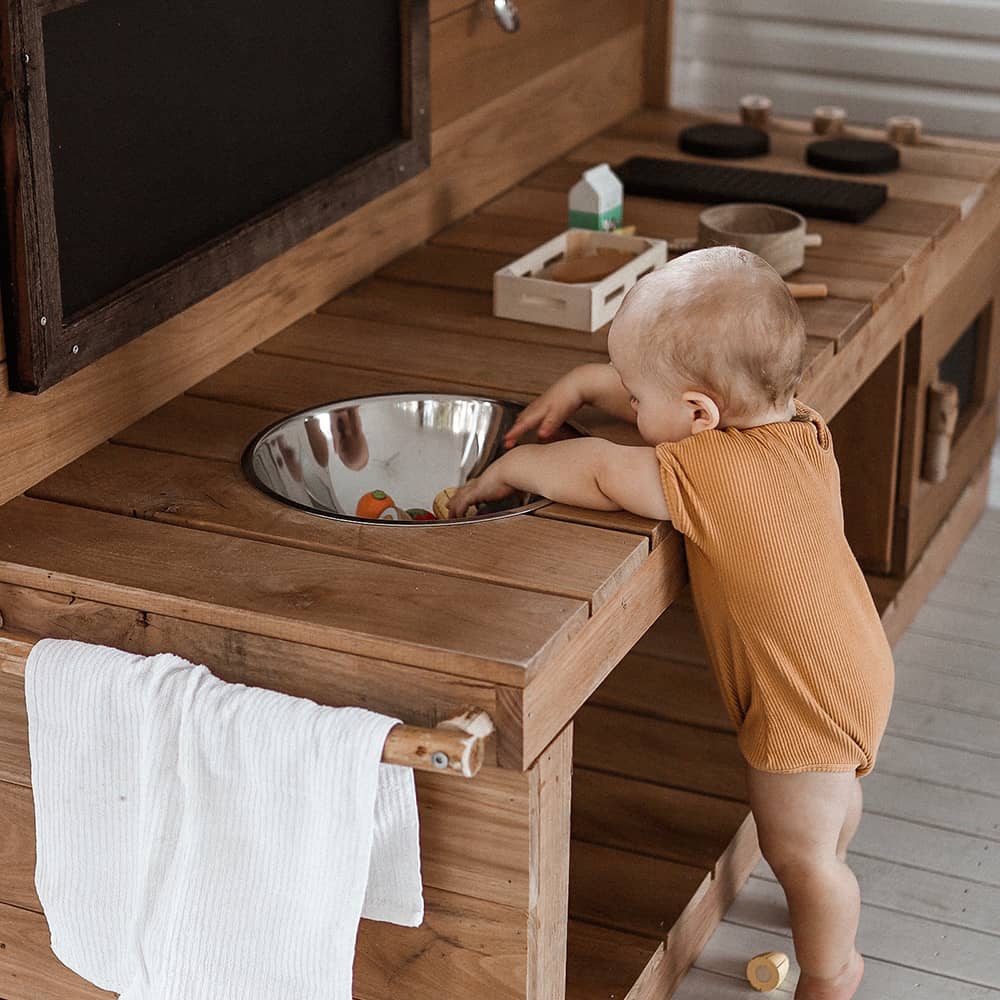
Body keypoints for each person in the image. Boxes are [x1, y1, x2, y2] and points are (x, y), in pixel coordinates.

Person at [449, 246, 894, 1000]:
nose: (626, 403)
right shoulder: (799, 431)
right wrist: (589, 382)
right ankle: (826, 866)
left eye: (631, 393)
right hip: (854, 663)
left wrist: (509, 472)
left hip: (801, 708)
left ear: (698, 415)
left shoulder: (706, 473)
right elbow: (679, 416)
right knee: (829, 808)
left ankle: (833, 971)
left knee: (803, 856)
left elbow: (598, 468)